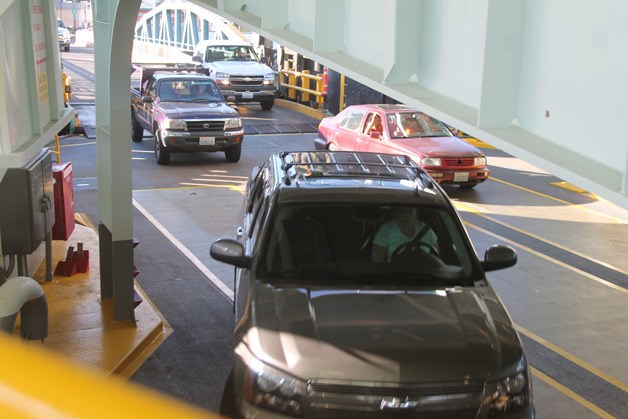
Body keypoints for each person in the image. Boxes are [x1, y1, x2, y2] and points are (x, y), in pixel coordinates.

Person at [371, 207, 438, 262]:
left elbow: (438, 258)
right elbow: (377, 263)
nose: (406, 215)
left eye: (410, 211)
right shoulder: (386, 230)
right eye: (402, 212)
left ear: (415, 213)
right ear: (396, 213)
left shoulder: (425, 230)